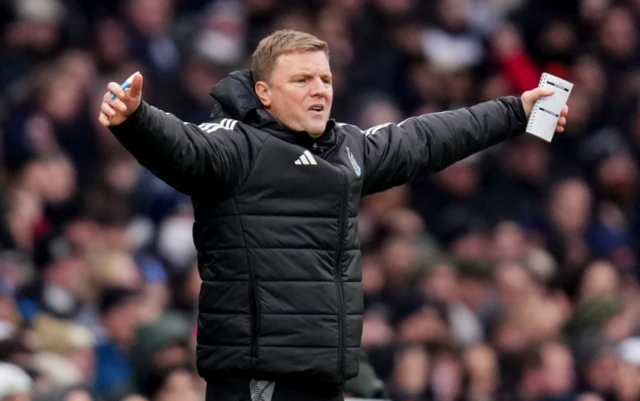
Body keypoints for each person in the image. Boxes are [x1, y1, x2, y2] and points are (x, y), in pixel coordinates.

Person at [98, 29, 569, 401]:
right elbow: (183, 148)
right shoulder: (236, 145)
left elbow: (427, 139)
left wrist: (516, 111)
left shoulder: (345, 148)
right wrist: (137, 121)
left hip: (326, 375)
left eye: (325, 79)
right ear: (264, 92)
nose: (319, 89)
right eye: (302, 80)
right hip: (261, 379)